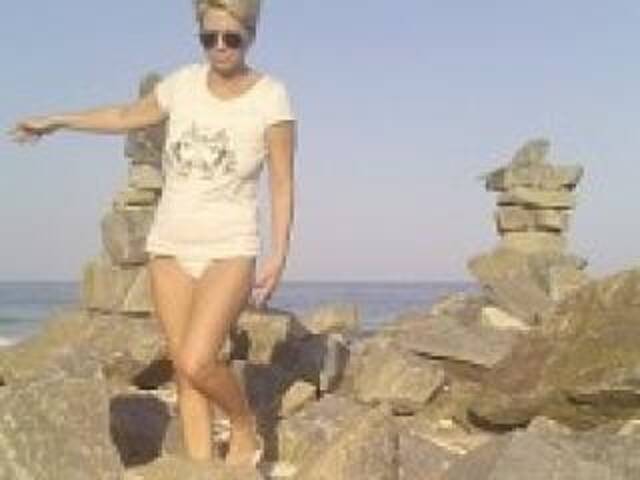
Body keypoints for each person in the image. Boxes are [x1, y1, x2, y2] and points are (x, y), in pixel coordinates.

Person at [7, 0, 296, 471]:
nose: (220, 47)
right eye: (209, 37)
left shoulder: (271, 97)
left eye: (231, 37)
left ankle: (243, 424)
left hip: (230, 246)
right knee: (184, 371)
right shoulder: (182, 85)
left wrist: (279, 253)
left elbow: (282, 181)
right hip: (169, 246)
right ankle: (202, 469)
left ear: (250, 34)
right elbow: (124, 115)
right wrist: (57, 121)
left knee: (199, 359)